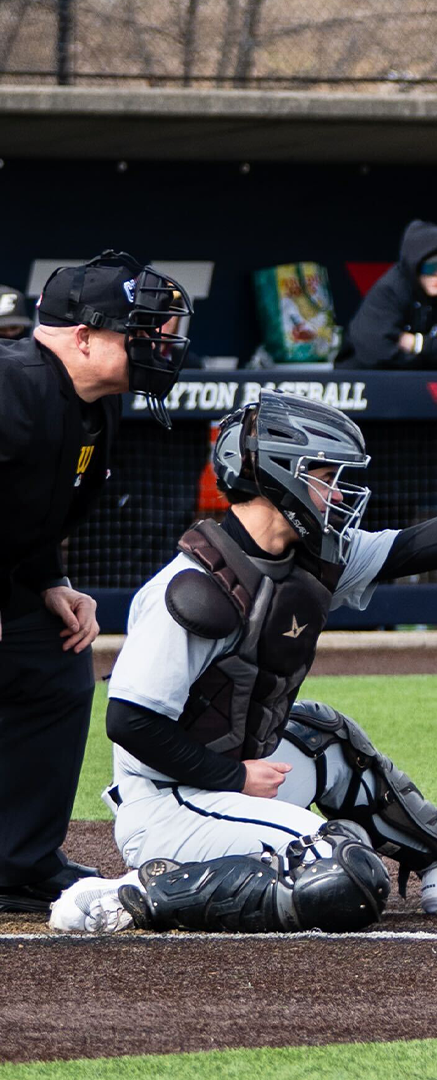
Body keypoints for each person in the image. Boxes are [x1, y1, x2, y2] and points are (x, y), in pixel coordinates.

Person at [47, 393, 437, 933]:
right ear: (280, 476)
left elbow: (433, 541)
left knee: (326, 739)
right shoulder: (190, 588)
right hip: (173, 804)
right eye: (323, 474)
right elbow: (130, 722)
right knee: (343, 875)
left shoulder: (308, 555)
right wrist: (233, 779)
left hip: (231, 780)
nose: (336, 490)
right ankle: (126, 897)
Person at [0, 252, 192, 915]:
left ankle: (18, 862)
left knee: (57, 660)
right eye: (137, 333)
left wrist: (50, 579)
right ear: (82, 336)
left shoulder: (95, 406)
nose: (157, 346)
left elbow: (32, 508)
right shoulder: (12, 382)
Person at [340, 220, 437, 371]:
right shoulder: (390, 289)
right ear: (415, 266)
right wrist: (436, 358)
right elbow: (375, 352)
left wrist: (418, 344)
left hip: (422, 381)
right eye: (431, 267)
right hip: (363, 381)